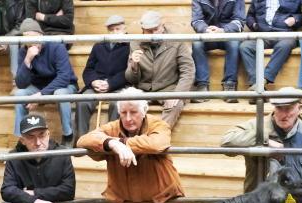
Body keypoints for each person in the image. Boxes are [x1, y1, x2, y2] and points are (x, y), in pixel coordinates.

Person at [76, 87, 185, 203]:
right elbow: (83, 140)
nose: (128, 118)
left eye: (133, 112)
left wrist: (123, 143)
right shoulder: (112, 128)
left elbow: (157, 143)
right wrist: (112, 144)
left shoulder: (158, 124)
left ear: (144, 110)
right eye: (123, 113)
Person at [1, 113, 75, 203]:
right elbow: (7, 191)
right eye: (31, 137)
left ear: (48, 134)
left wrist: (33, 193)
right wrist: (35, 202)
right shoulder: (14, 157)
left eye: (42, 135)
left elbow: (68, 191)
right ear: (22, 140)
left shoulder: (62, 154)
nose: (38, 142)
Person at [125, 11, 195, 128]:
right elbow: (131, 79)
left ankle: (158, 137)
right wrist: (134, 65)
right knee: (127, 104)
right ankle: (133, 141)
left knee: (175, 104)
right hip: (143, 90)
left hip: (169, 89)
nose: (153, 34)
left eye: (156, 29)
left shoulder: (177, 40)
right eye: (149, 31)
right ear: (143, 30)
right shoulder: (135, 42)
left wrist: (177, 95)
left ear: (162, 26)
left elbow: (188, 71)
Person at [13, 18, 78, 145]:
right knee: (19, 94)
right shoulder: (24, 52)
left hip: (64, 86)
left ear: (41, 35)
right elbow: (21, 84)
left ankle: (68, 135)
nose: (31, 42)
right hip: (39, 87)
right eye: (26, 39)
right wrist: (27, 60)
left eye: (33, 37)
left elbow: (64, 78)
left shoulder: (57, 46)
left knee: (61, 93)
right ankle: (22, 138)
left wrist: (41, 95)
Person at [74, 14, 129, 142]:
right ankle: (82, 140)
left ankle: (113, 140)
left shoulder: (131, 44)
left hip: (119, 86)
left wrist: (110, 83)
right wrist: (93, 81)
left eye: (118, 29)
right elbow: (88, 70)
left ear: (124, 28)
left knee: (117, 104)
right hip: (97, 85)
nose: (115, 32)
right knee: (82, 102)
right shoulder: (99, 45)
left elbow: (129, 73)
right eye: (111, 30)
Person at [240, 0, 302, 101]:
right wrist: (254, 25)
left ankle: (262, 82)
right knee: (245, 47)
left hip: (285, 34)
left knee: (284, 45)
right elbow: (250, 16)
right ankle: (256, 85)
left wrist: (295, 19)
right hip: (263, 34)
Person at [190, 0, 245, 103]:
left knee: (234, 43)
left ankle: (230, 85)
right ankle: (202, 86)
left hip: (228, 35)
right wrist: (205, 29)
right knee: (197, 44)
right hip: (208, 34)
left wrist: (223, 30)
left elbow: (239, 21)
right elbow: (196, 20)